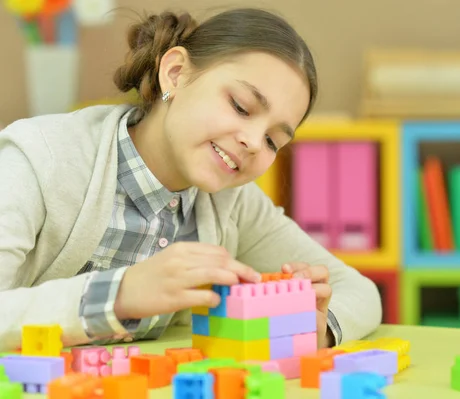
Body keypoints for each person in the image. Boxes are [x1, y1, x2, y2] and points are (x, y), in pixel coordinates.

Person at [0, 7, 382, 352]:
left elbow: (360, 292)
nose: (252, 142)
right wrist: (118, 295)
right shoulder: (40, 160)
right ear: (176, 73)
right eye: (241, 106)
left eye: (272, 140)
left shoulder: (233, 205)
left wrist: (319, 329)